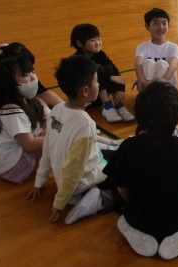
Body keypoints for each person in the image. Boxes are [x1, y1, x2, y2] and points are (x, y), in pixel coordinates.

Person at [103, 81, 178, 259]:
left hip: (137, 215)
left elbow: (121, 188)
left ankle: (137, 230)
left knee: (130, 217)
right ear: (177, 115)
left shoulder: (128, 146)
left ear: (139, 115)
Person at [26, 55, 122, 225]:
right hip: (81, 181)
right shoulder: (85, 123)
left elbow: (47, 148)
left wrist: (39, 182)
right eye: (96, 82)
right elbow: (74, 168)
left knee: (114, 151)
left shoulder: (57, 110)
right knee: (128, 172)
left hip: (64, 180)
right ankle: (97, 198)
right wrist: (59, 204)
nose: (99, 85)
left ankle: (78, 195)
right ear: (85, 91)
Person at [0, 55, 47, 184]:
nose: (33, 78)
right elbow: (29, 145)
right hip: (12, 166)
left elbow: (52, 119)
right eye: (25, 75)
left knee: (52, 129)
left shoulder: (31, 101)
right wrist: (59, 136)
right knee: (55, 138)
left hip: (14, 159)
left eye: (33, 72)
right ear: (9, 82)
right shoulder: (10, 108)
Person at [70, 23, 134, 124]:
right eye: (92, 40)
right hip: (87, 99)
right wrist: (111, 78)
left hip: (99, 93)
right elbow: (86, 79)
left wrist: (120, 88)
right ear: (79, 43)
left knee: (109, 69)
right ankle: (107, 107)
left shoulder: (100, 54)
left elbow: (114, 70)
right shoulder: (77, 60)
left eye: (99, 39)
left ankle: (119, 105)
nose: (98, 43)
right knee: (97, 71)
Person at [0, 42, 63, 109]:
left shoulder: (27, 78)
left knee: (50, 95)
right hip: (18, 111)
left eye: (32, 71)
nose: (32, 77)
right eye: (25, 74)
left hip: (28, 105)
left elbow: (43, 94)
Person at [133, 8, 178, 91]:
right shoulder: (142, 46)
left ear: (168, 26)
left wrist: (164, 79)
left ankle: (155, 93)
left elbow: (173, 65)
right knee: (148, 62)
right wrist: (143, 81)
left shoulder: (173, 47)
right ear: (147, 27)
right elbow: (138, 65)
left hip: (166, 86)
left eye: (164, 23)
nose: (160, 27)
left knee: (162, 64)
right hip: (146, 85)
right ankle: (150, 92)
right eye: (156, 23)